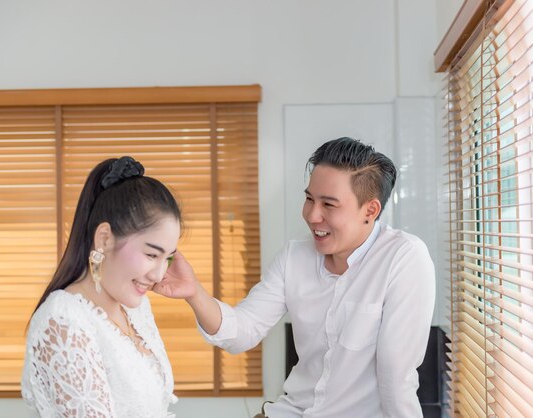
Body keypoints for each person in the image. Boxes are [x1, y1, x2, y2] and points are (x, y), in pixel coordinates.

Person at [157, 137, 436, 417]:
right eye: (309, 199)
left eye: (329, 204)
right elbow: (243, 332)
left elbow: (396, 378)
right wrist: (193, 292)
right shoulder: (294, 256)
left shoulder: (403, 257)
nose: (312, 215)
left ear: (370, 210)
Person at [22, 156, 181, 418]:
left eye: (169, 257)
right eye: (152, 255)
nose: (158, 274)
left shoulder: (136, 310)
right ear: (104, 238)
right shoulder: (64, 319)